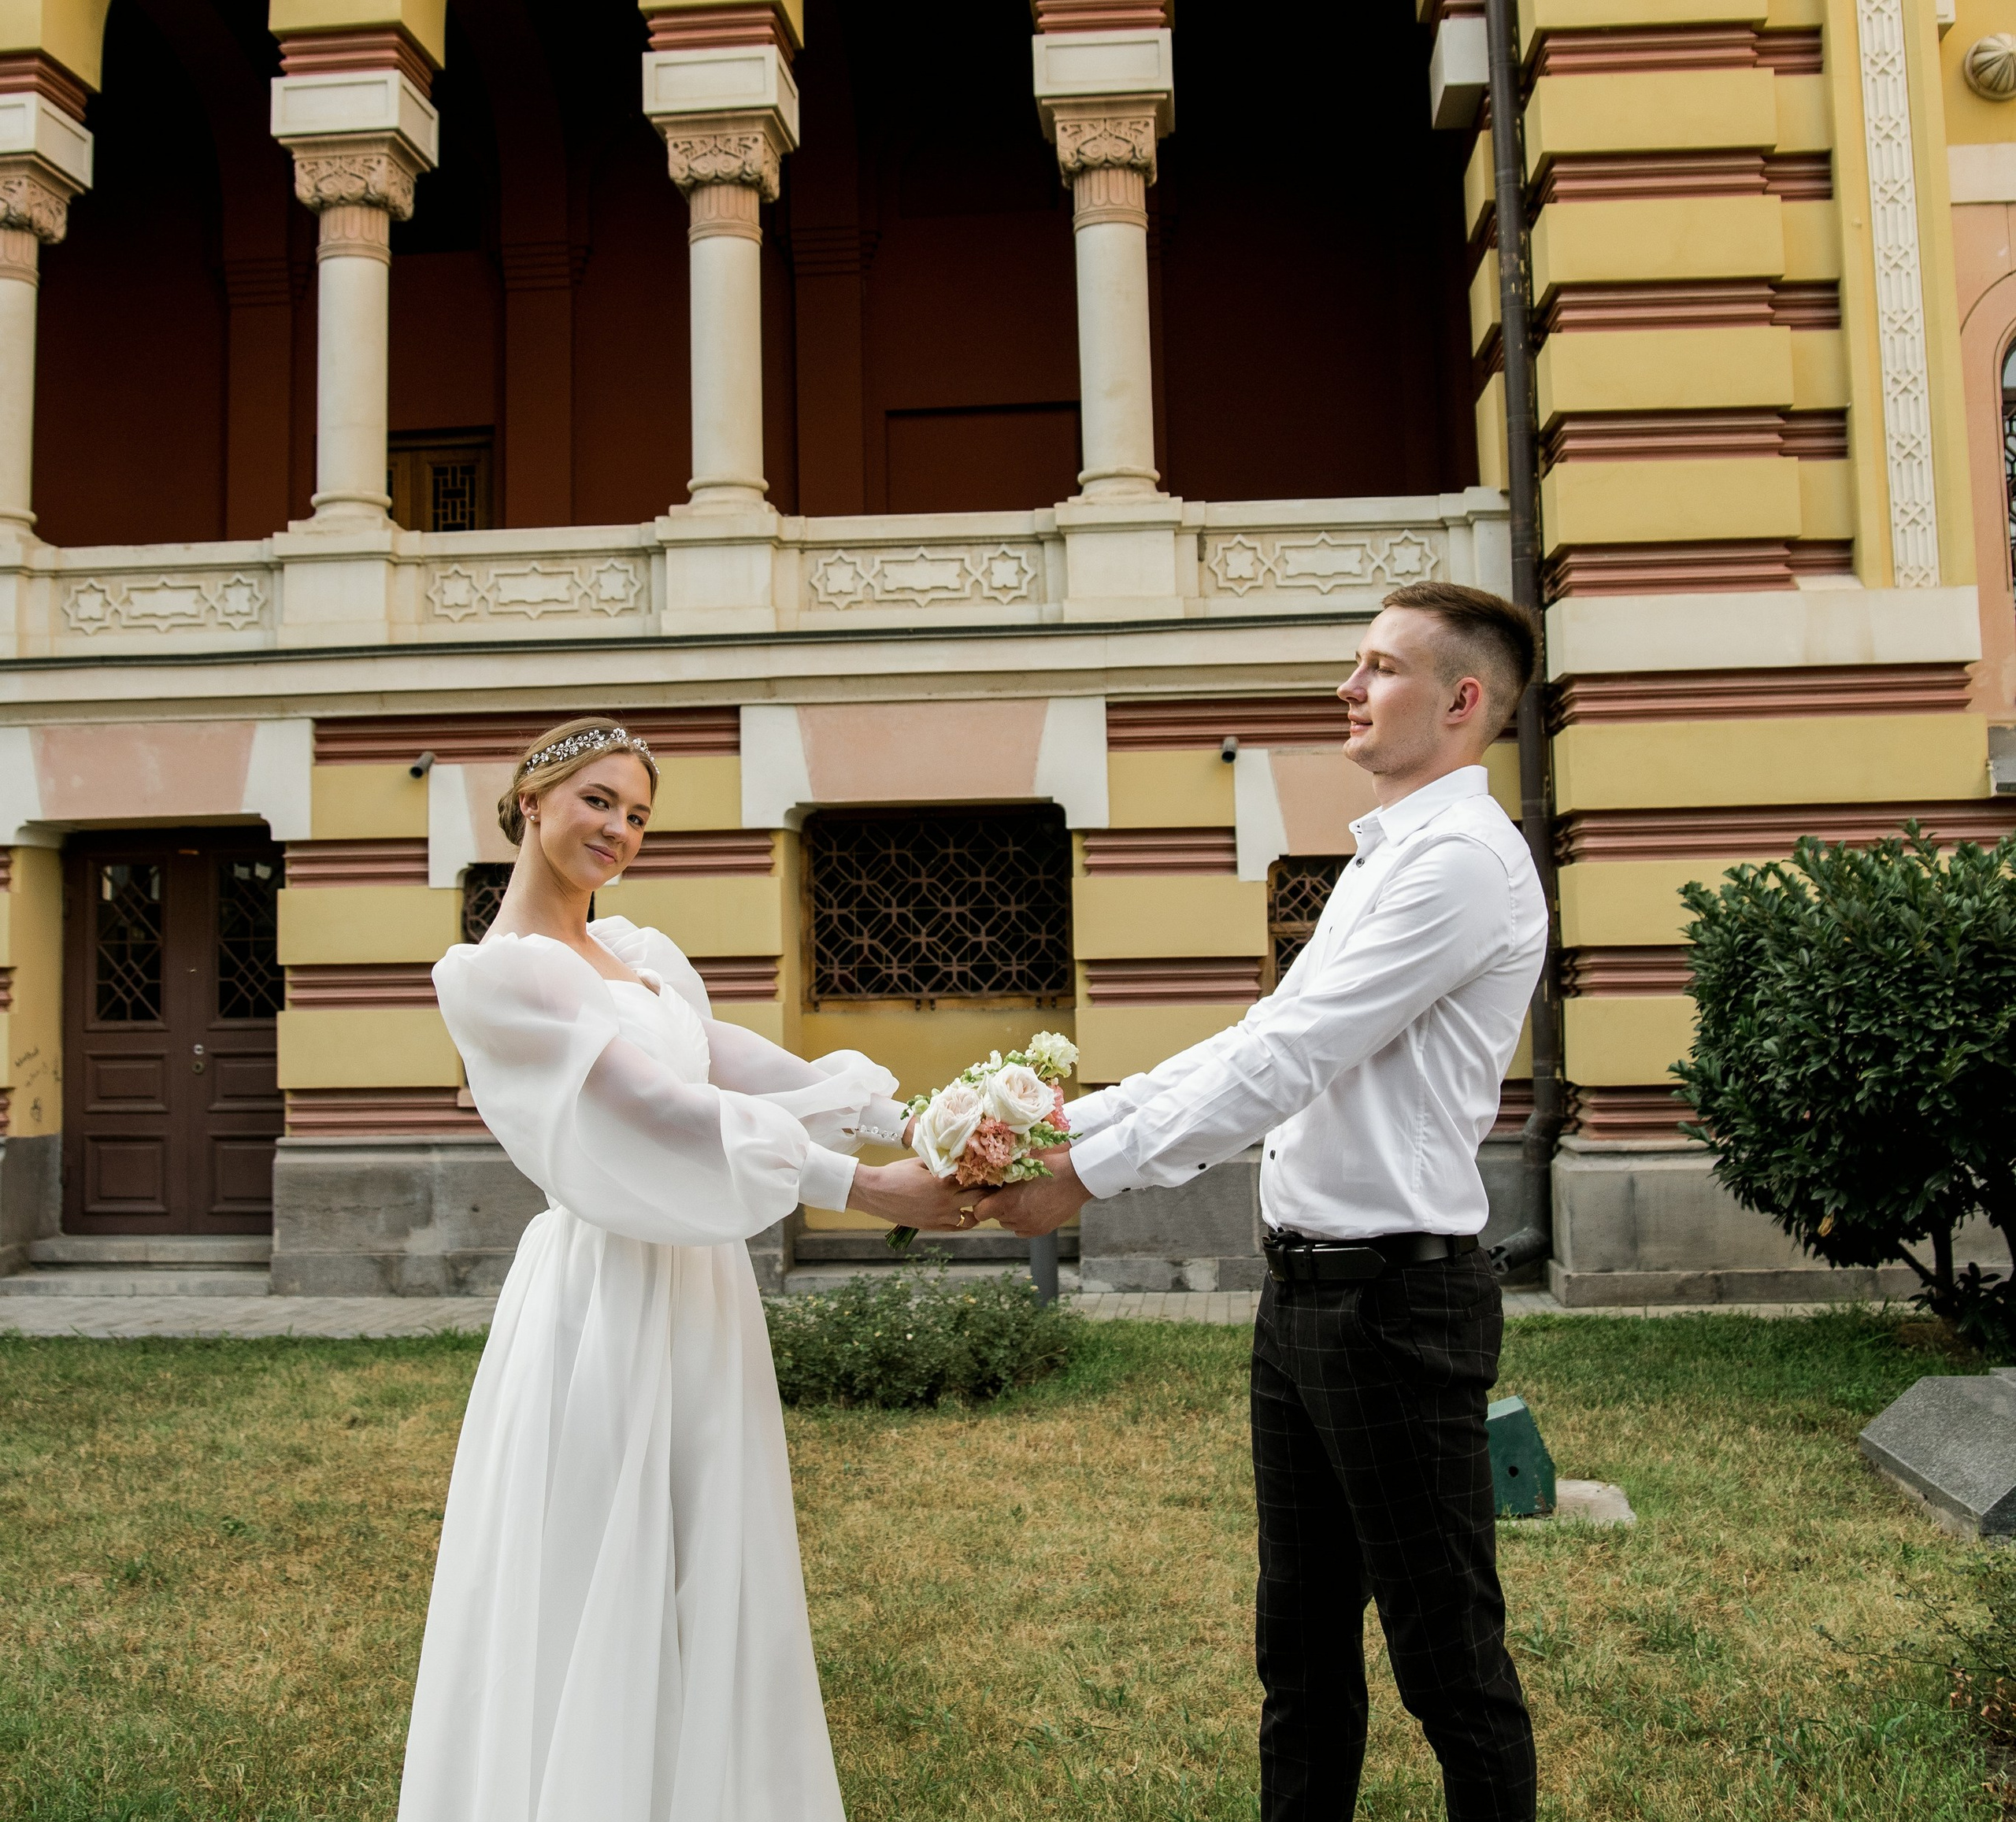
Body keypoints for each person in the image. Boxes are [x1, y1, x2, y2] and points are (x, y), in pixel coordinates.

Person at [988, 583, 1548, 1820]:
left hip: (1401, 1308)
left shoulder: (1460, 866)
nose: (1349, 688)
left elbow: (1292, 1061)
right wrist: (1058, 1130)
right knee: (1298, 1654)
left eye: (1380, 668)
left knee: (1446, 1660)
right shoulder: (1387, 851)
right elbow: (1265, 1035)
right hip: (1303, 1306)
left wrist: (1084, 1178)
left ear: (1462, 703)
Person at [398, 717, 979, 1822]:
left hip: (700, 1288)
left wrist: (915, 1121)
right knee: (601, 1546)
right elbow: (655, 1106)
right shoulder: (495, 978)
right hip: (604, 1293)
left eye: (637, 814)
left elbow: (731, 1060)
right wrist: (862, 1189)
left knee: (707, 1545)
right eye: (598, 802)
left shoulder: (640, 956)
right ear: (532, 800)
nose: (618, 829)